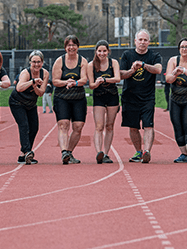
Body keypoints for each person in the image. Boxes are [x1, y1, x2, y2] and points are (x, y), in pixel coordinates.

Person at [120, 29, 162, 164]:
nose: (142, 42)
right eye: (140, 40)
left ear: (149, 42)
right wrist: (132, 70)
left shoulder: (155, 56)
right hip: (130, 96)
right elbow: (121, 74)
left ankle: (147, 151)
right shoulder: (127, 55)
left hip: (147, 97)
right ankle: (138, 151)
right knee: (133, 127)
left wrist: (143, 65)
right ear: (135, 41)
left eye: (145, 40)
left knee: (148, 126)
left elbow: (158, 69)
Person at [52, 35, 89, 164]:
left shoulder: (83, 61)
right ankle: (63, 152)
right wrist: (65, 82)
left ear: (78, 47)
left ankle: (69, 152)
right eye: (69, 45)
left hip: (78, 97)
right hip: (62, 97)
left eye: (74, 45)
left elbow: (84, 79)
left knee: (78, 126)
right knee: (63, 125)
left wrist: (75, 83)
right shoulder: (59, 61)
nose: (71, 47)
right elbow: (55, 81)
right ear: (65, 47)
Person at [9, 50, 49, 165]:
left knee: (34, 127)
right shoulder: (25, 73)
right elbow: (19, 88)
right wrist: (32, 81)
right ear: (30, 62)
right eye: (34, 62)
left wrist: (35, 86)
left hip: (31, 104)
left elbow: (41, 93)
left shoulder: (44, 73)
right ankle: (27, 151)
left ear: (42, 62)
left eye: (39, 62)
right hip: (17, 102)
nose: (36, 64)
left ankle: (24, 155)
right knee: (24, 125)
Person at [87, 40, 120, 164]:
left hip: (112, 96)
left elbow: (117, 78)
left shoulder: (113, 63)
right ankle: (98, 152)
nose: (102, 53)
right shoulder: (91, 65)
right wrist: (96, 83)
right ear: (96, 51)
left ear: (108, 51)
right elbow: (91, 85)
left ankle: (106, 153)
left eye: (104, 51)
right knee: (99, 126)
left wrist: (105, 79)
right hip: (99, 97)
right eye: (99, 51)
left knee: (109, 126)